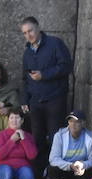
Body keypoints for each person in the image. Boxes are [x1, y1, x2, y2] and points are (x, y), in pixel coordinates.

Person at [19, 16, 73, 166]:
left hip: (55, 99)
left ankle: (53, 173)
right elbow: (25, 79)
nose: (28, 35)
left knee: (56, 137)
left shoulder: (55, 44)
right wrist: (24, 100)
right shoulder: (27, 53)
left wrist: (44, 74)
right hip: (36, 101)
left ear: (38, 28)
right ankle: (39, 171)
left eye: (30, 30)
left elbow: (66, 66)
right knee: (37, 138)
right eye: (24, 33)